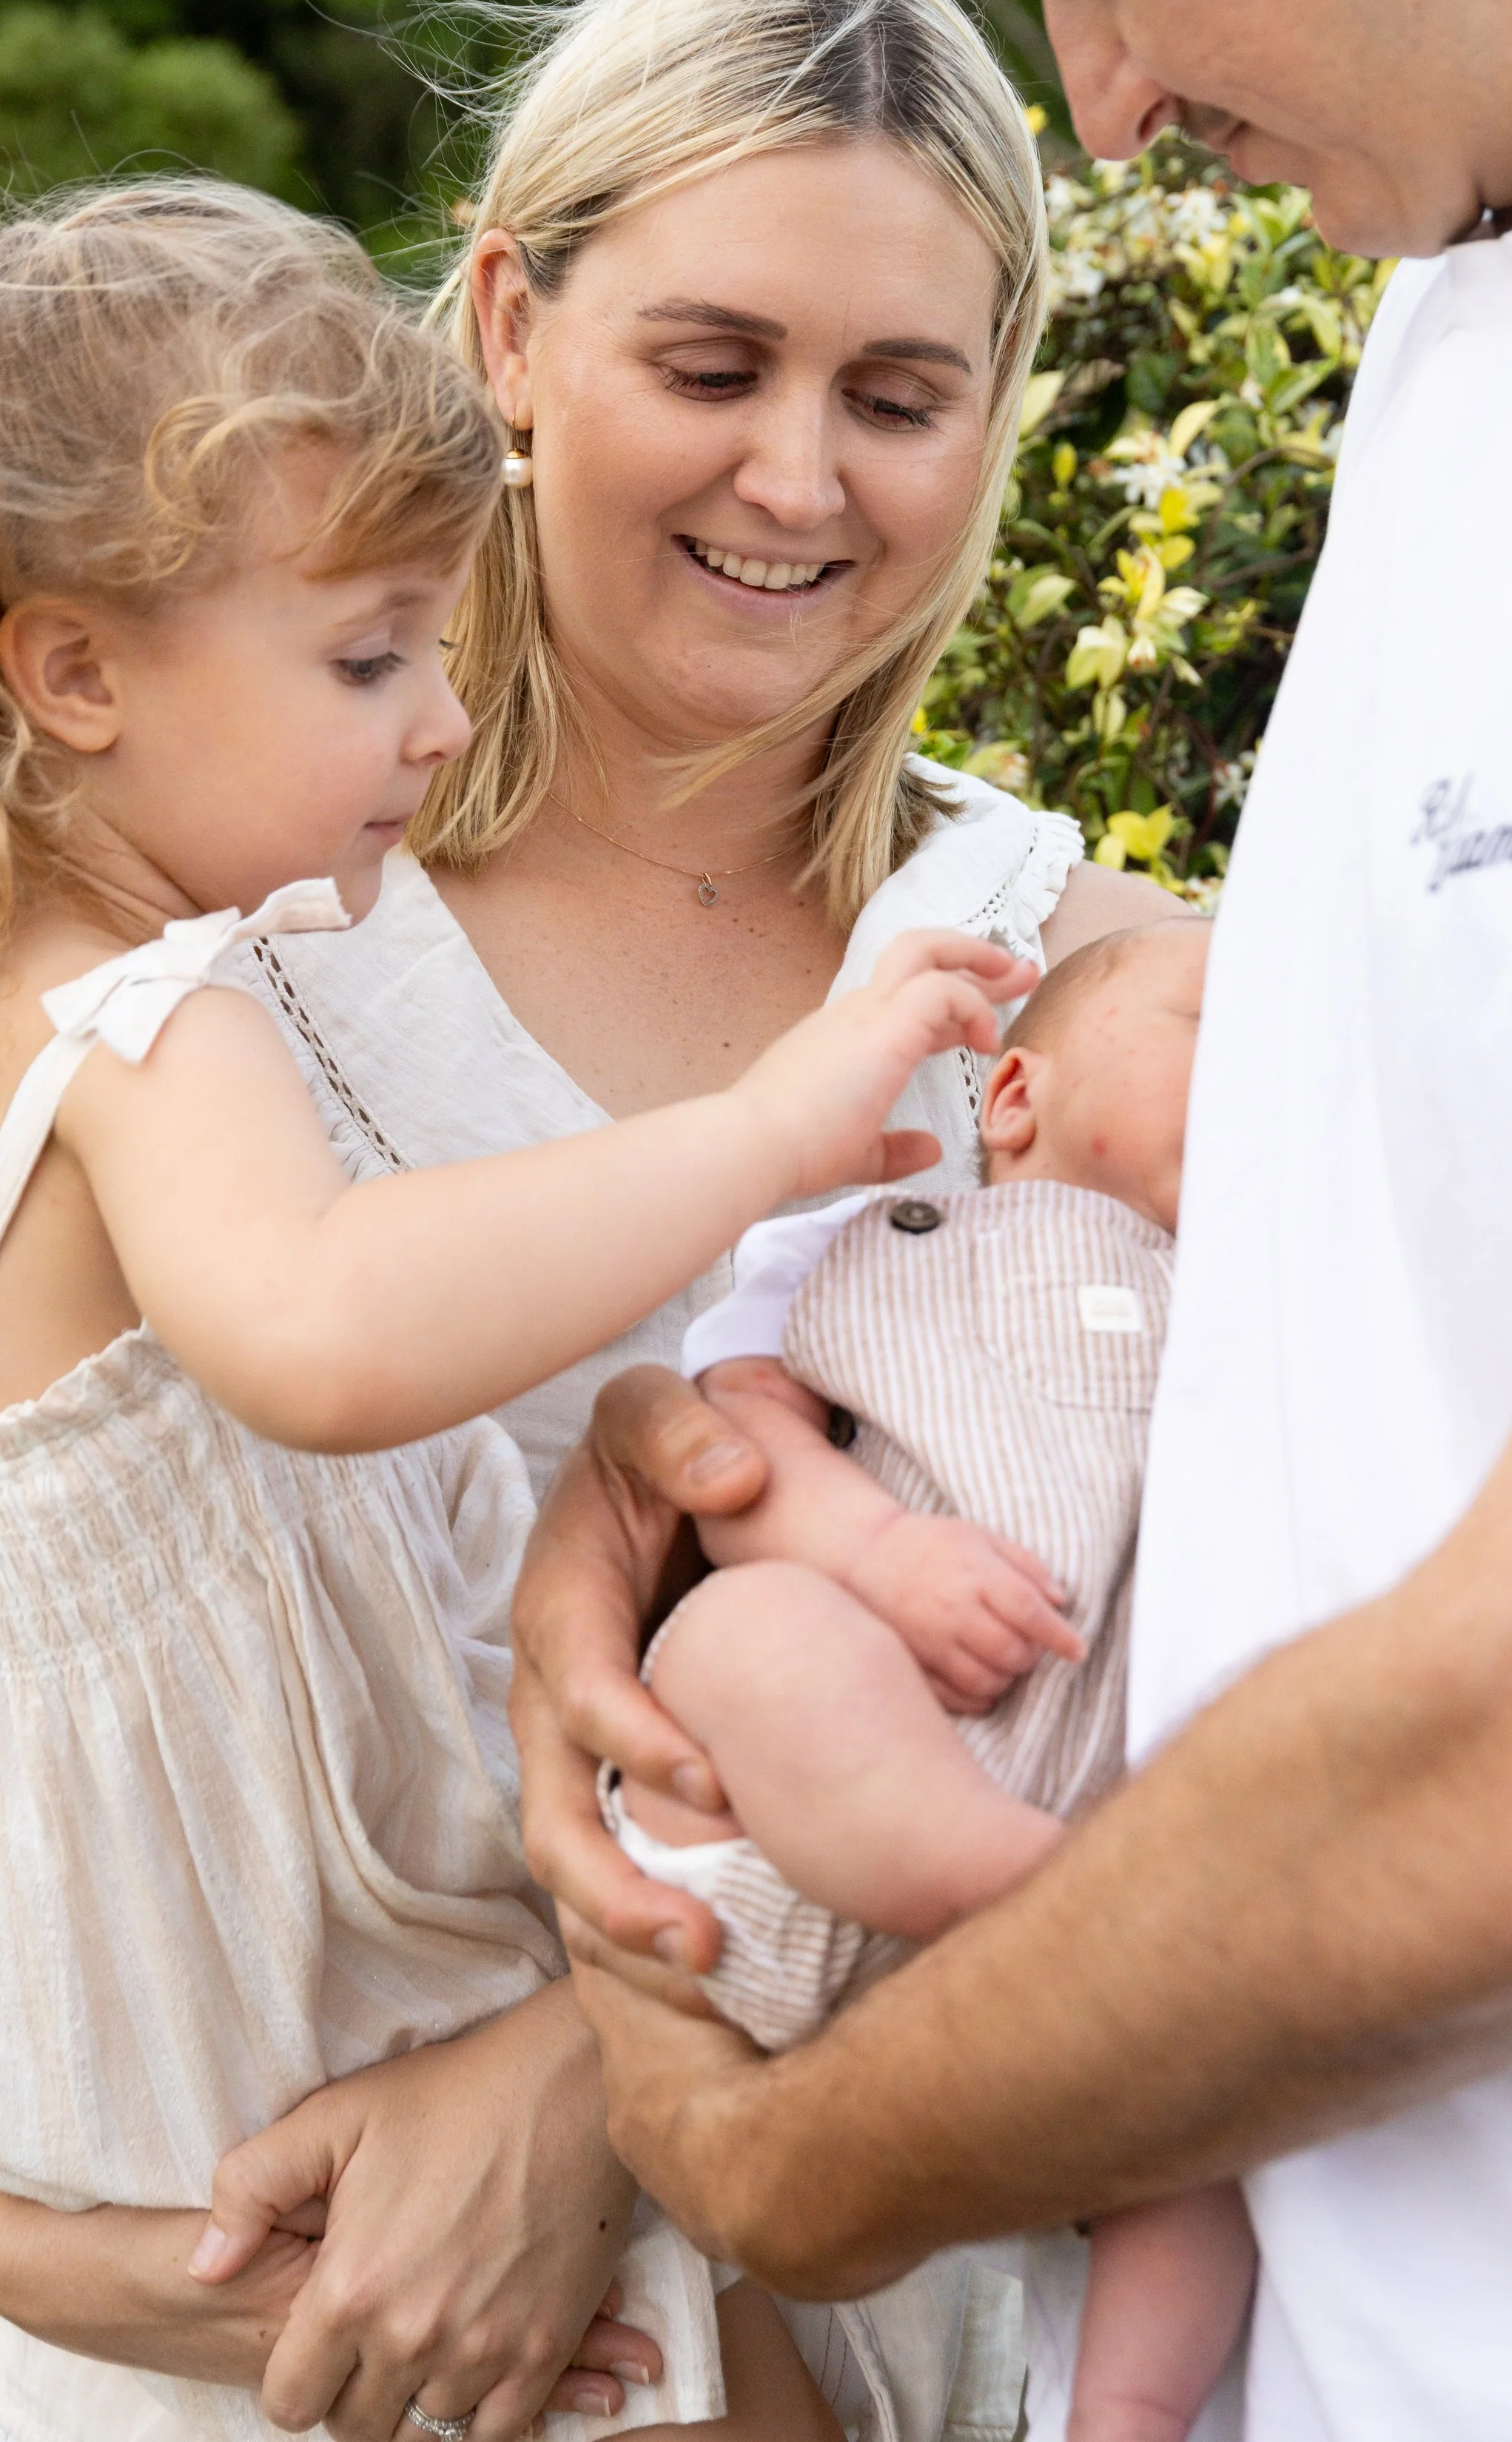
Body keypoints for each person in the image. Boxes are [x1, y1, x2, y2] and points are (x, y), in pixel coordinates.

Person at [508, 0, 1512, 2438]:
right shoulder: (1481, 295)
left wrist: (797, 2157)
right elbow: (1335, 1270)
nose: (1108, 100)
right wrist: (684, 1507)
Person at [0, 178, 1035, 2442]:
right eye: (365, 656)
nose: (438, 713)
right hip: (320, 2039)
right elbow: (328, 1331)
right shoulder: (154, 1017)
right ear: (77, 671)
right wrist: (771, 1121)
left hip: (112, 2102)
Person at [167, 0, 1183, 2442]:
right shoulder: (221, 954)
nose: (797, 475)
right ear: (512, 325)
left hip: (895, 2327)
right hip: (257, 2327)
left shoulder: (1101, 1001)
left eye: (900, 392)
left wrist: (586, 2075)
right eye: (711, 361)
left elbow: (1286, 1699)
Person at [602, 919, 1255, 2442]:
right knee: (744, 1634)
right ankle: (1019, 1875)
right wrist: (877, 1547)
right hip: (786, 1837)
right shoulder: (884, 1247)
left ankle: (1126, 2406)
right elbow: (730, 1450)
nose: (1270, 1077)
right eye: (1225, 1026)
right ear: (1012, 1097)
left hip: (1060, 1992)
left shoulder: (1274, 1321)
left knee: (1230, 2105)